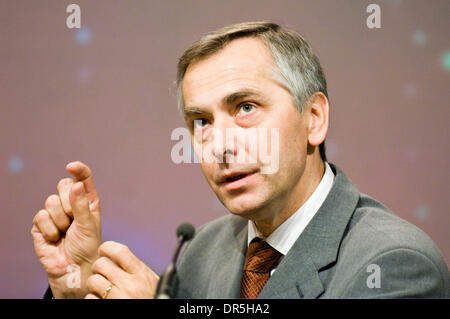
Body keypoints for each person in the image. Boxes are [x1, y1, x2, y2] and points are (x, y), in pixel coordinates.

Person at [32, 21, 449, 299]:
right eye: (201, 121)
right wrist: (79, 288)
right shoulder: (200, 252)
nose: (220, 145)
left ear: (314, 120)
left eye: (246, 108)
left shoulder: (394, 265)